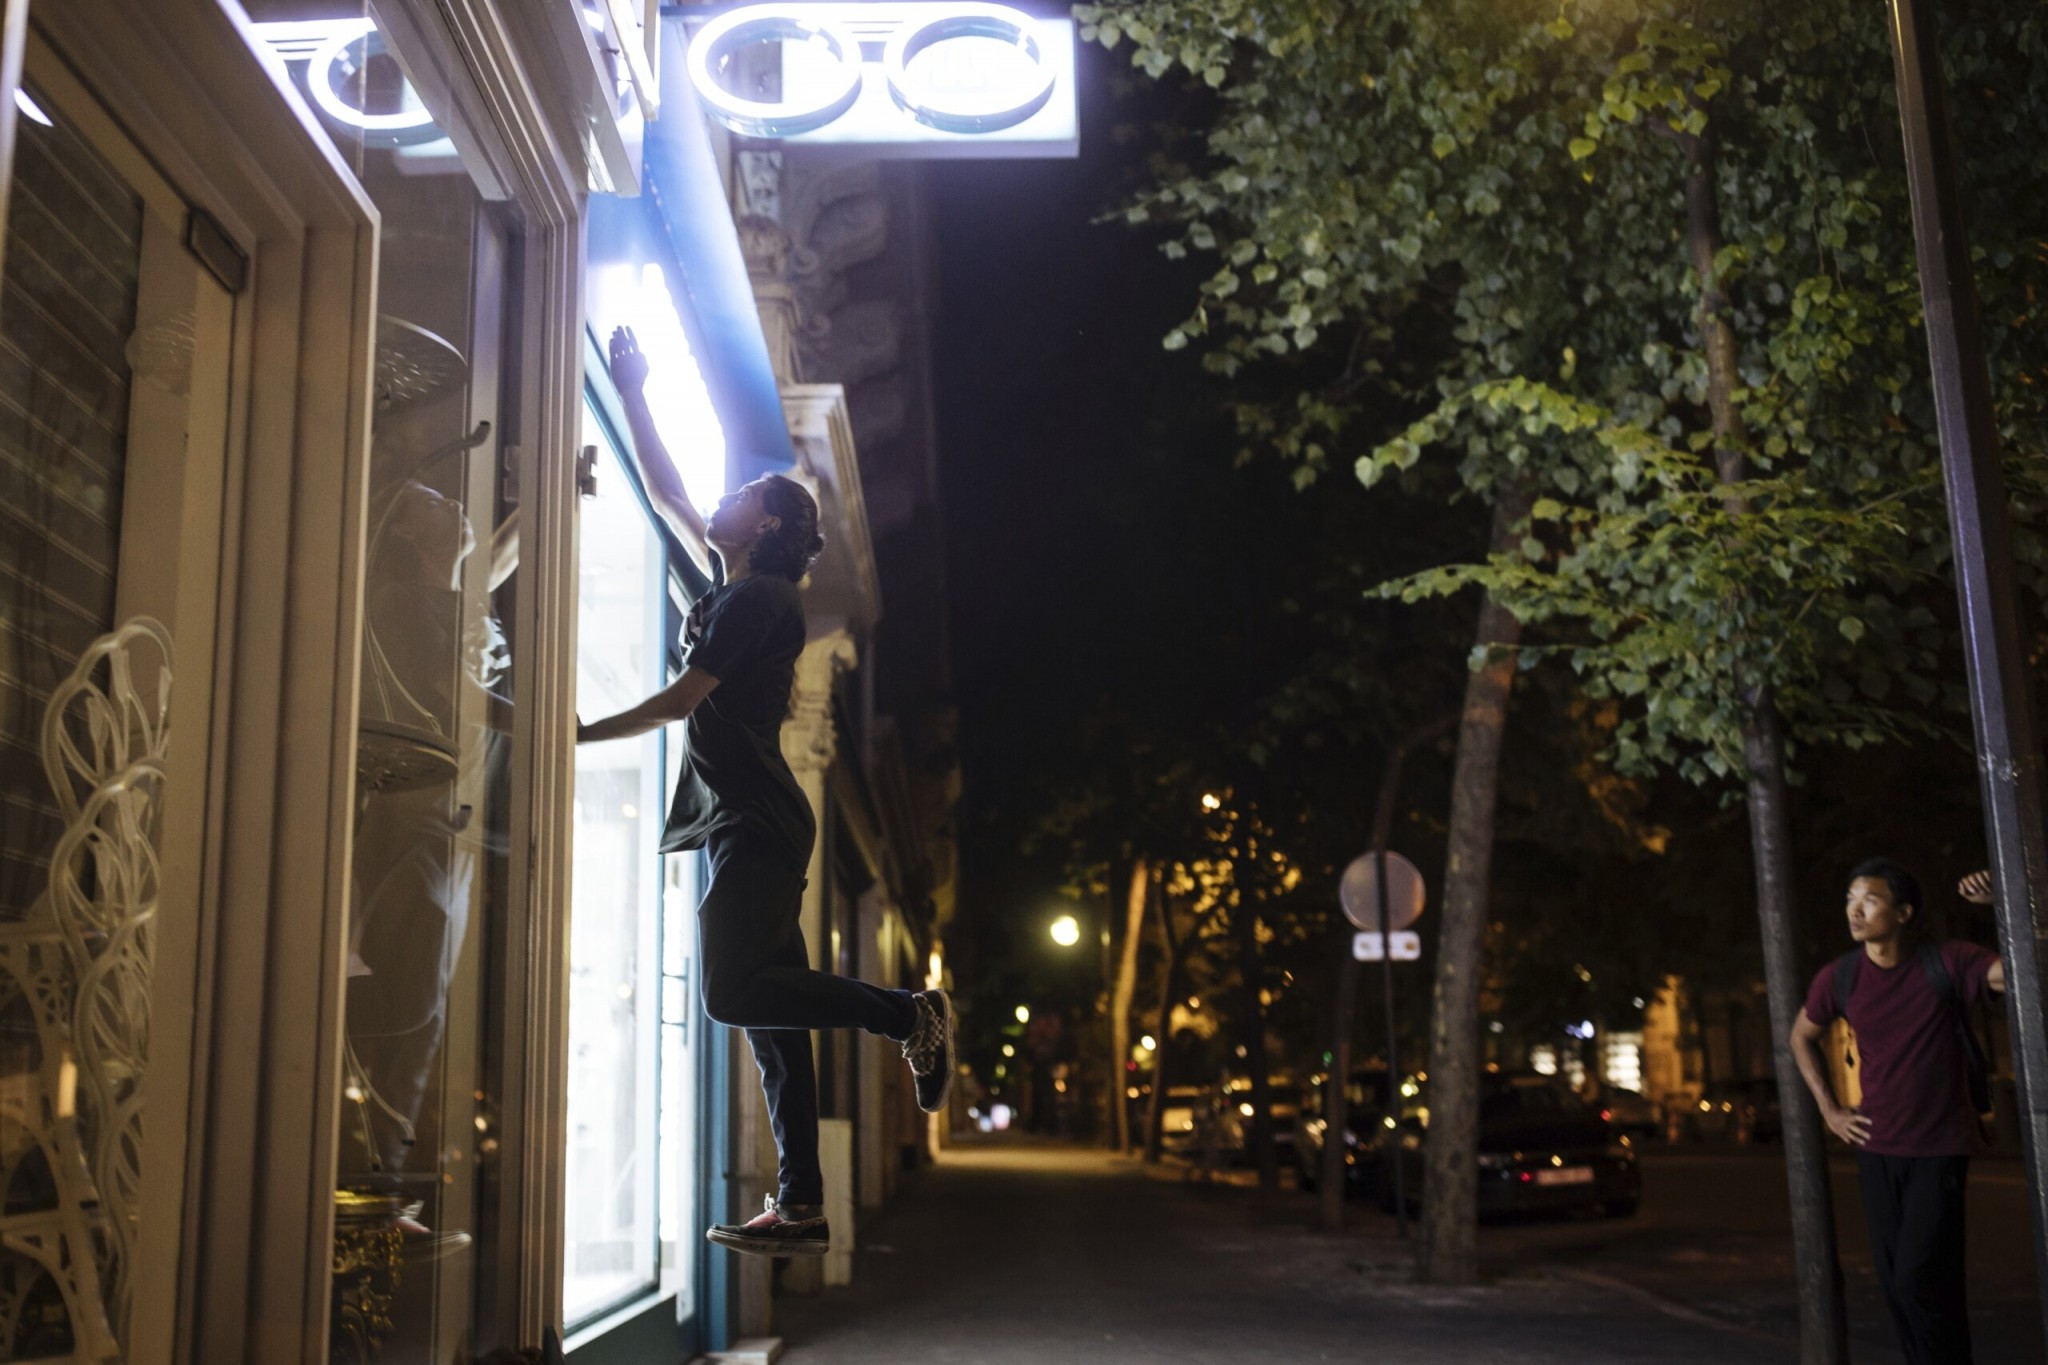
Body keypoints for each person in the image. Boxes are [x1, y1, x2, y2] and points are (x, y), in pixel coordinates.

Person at [577, 326, 954, 1257]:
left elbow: (683, 699)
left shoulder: (760, 601)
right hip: (748, 820)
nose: (722, 500)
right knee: (774, 1023)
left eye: (741, 496)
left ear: (773, 526)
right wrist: (634, 391)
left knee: (732, 993)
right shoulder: (731, 584)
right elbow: (666, 492)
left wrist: (575, 731)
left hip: (756, 819)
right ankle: (803, 1206)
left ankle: (909, 1014)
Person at [1789, 858, 2007, 1365]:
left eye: (1870, 901)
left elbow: (2026, 972)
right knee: (1898, 1285)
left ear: (1904, 913)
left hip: (1940, 1148)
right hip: (1876, 1148)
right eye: (1850, 900)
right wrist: (1830, 1111)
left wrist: (2005, 904)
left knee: (1917, 1277)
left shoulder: (1948, 961)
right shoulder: (1841, 976)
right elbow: (1800, 1037)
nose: (1855, 911)